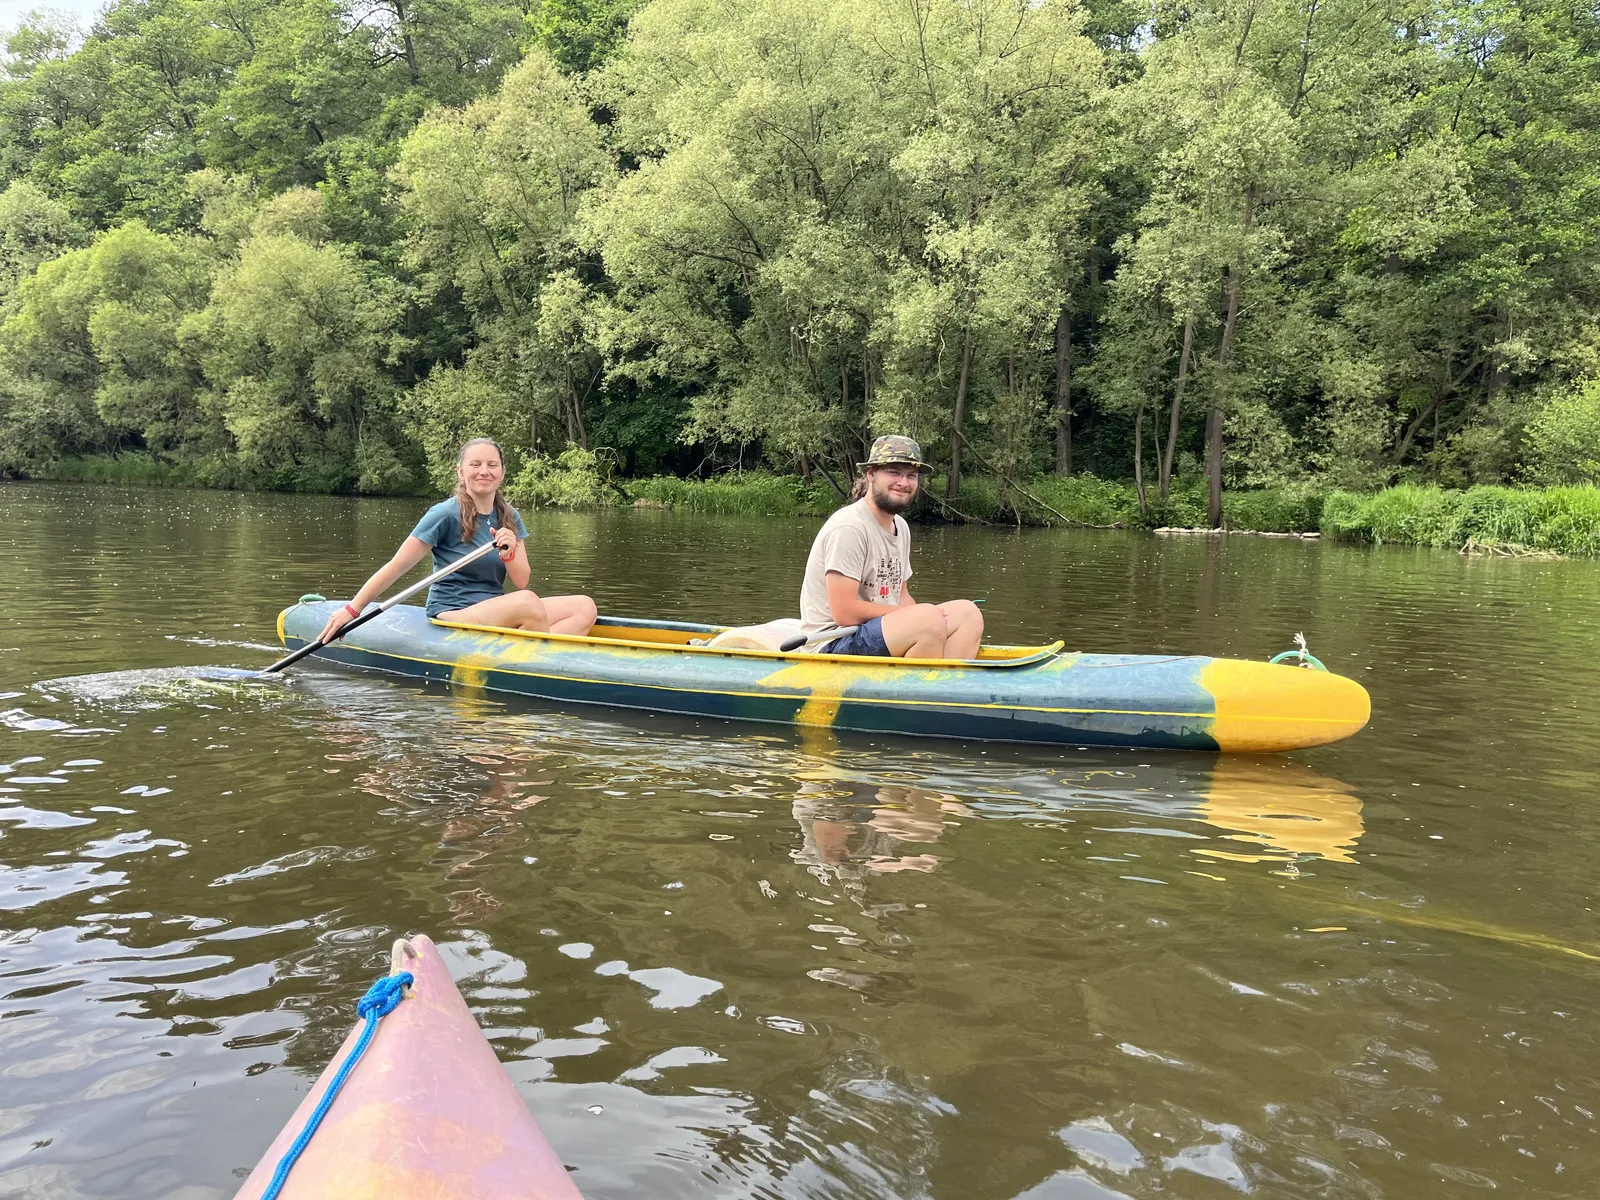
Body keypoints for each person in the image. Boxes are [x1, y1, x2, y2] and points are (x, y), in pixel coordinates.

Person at [317, 437, 597, 643]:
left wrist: (509, 554)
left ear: (502, 473)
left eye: (492, 465)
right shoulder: (444, 514)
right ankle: (540, 653)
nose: (484, 471)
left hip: (493, 606)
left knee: (584, 607)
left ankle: (537, 649)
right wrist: (352, 609)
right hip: (453, 610)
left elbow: (521, 580)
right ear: (461, 472)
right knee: (528, 603)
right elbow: (398, 566)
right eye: (475, 464)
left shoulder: (509, 516)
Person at [797, 435, 983, 658]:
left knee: (967, 614)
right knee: (927, 619)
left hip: (878, 631)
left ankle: (946, 679)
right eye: (894, 472)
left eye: (911, 476)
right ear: (871, 474)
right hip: (833, 641)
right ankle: (917, 678)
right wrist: (918, 616)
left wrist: (917, 615)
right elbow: (843, 612)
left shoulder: (901, 526)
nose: (904, 483)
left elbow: (901, 595)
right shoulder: (849, 527)